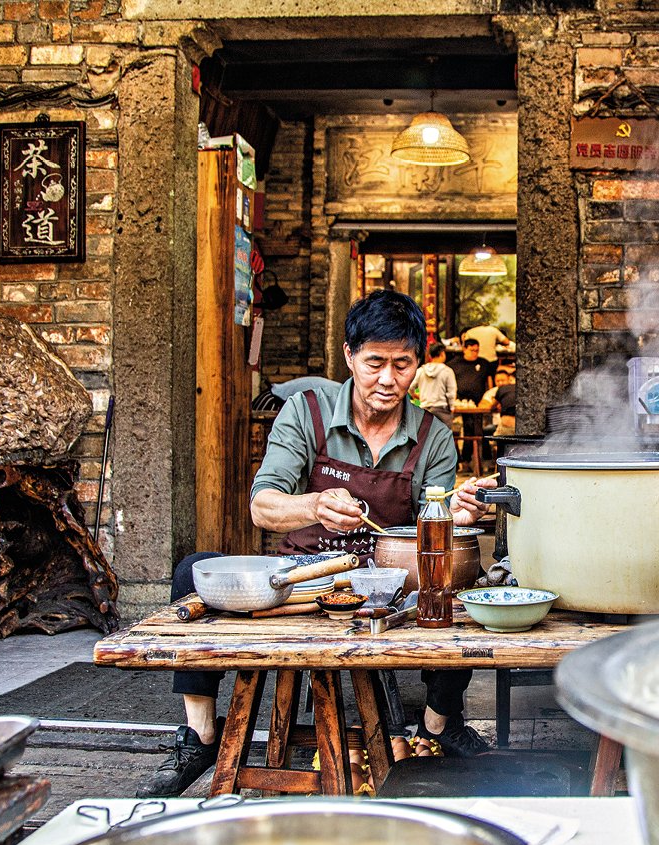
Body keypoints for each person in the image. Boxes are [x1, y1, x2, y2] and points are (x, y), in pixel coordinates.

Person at [138, 290, 497, 796]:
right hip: (302, 578)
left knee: (465, 589)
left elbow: (427, 544)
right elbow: (263, 505)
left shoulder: (433, 436)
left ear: (419, 363)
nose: (388, 380)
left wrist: (453, 518)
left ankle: (438, 726)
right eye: (374, 363)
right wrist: (312, 505)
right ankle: (200, 734)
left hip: (388, 586)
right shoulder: (306, 412)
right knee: (192, 569)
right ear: (349, 357)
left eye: (402, 364)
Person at [412, 342, 457, 429]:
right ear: (442, 354)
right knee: (443, 439)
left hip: (424, 409)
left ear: (430, 356)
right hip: (442, 410)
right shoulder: (447, 371)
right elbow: (451, 392)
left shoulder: (421, 371)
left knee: (426, 438)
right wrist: (452, 407)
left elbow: (409, 387)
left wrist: (417, 396)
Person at [448, 338, 492, 403]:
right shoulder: (453, 364)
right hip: (458, 400)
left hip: (478, 400)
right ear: (464, 349)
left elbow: (489, 380)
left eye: (477, 351)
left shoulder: (484, 363)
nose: (474, 353)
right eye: (472, 350)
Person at [480, 364, 516, 438]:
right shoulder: (492, 392)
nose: (500, 383)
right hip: (497, 423)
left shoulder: (504, 389)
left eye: (502, 380)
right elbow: (482, 405)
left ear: (509, 380)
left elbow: (493, 405)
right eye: (497, 381)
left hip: (506, 425)